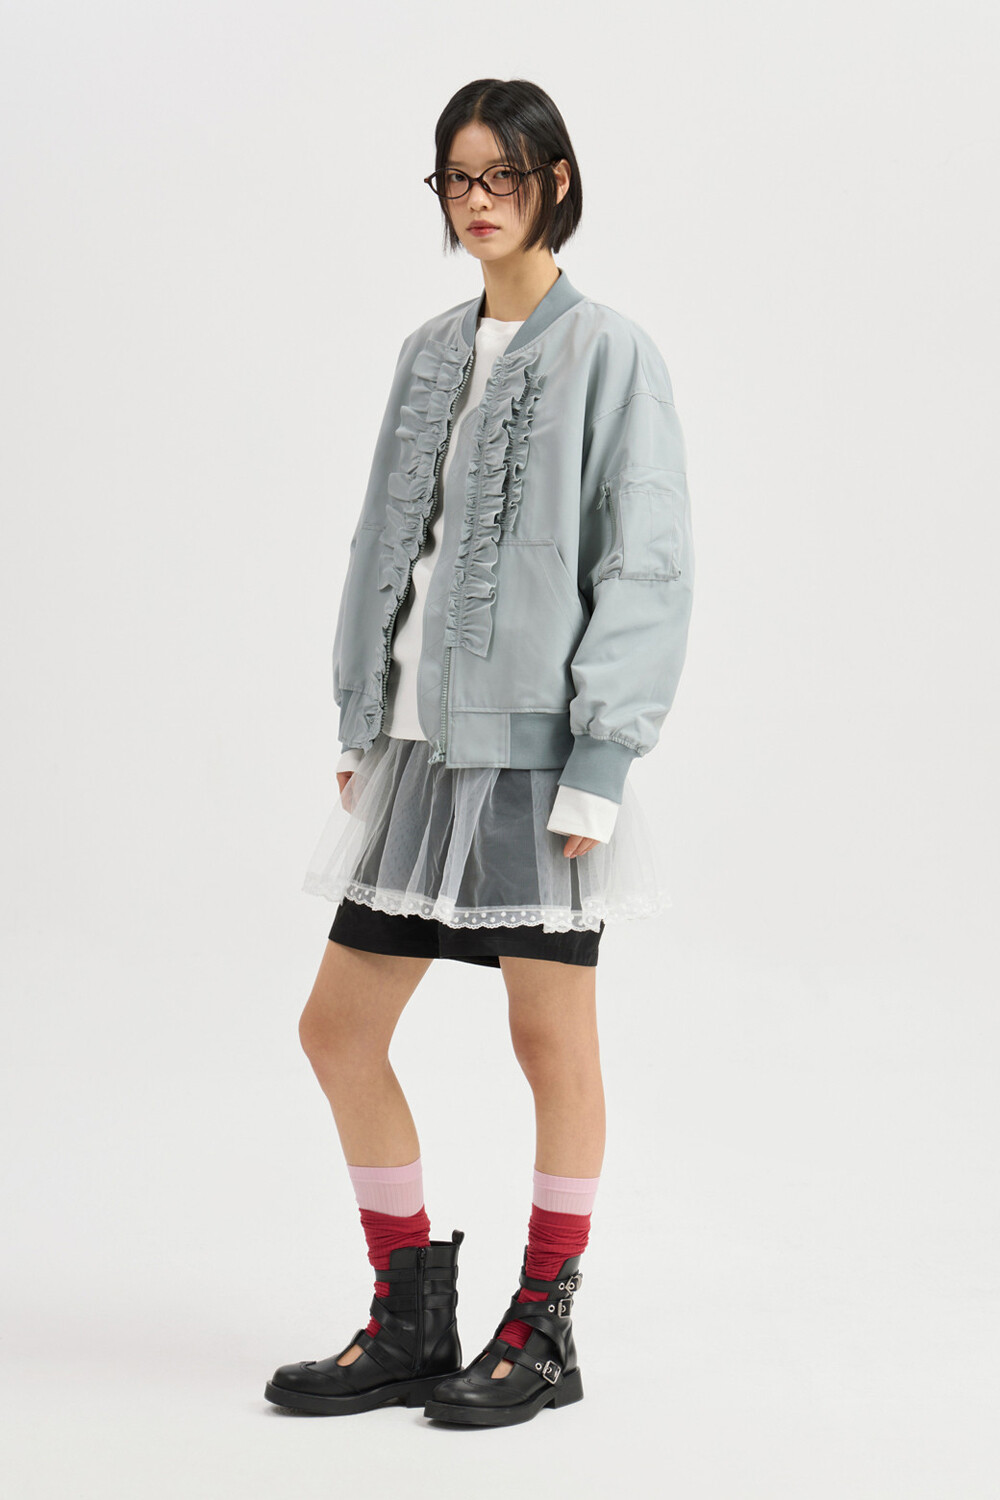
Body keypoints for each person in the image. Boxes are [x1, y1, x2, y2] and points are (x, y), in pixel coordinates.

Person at [264, 76, 694, 1427]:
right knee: (338, 1029)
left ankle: (544, 1323)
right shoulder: (428, 351)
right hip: (414, 750)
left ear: (555, 180)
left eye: (503, 173)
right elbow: (382, 542)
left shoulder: (612, 354)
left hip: (538, 758)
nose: (478, 199)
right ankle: (410, 1314)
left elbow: (647, 564)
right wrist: (360, 711)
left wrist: (604, 759)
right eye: (457, 177)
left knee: (548, 1036)